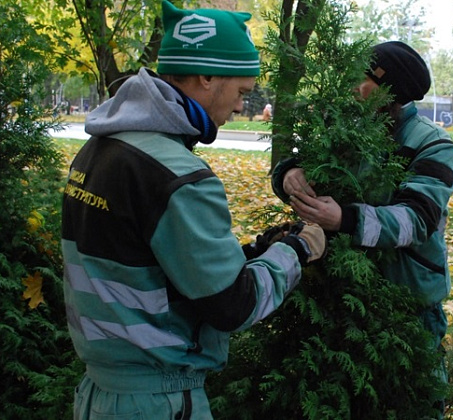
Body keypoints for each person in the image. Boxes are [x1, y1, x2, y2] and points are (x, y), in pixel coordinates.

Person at [61, 2, 326, 419]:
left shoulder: (99, 151)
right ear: (206, 77)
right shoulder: (177, 174)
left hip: (101, 394)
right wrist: (295, 251)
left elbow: (151, 266)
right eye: (241, 92)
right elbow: (232, 306)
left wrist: (255, 251)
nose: (241, 107)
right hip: (157, 401)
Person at [271, 40, 453, 418]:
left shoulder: (433, 145)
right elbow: (308, 163)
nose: (353, 84)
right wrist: (288, 175)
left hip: (408, 307)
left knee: (411, 405)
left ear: (391, 90)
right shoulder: (347, 126)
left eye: (364, 76)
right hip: (340, 296)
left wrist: (345, 219)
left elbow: (417, 220)